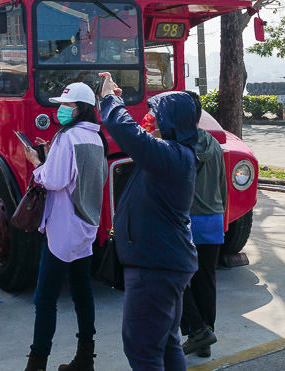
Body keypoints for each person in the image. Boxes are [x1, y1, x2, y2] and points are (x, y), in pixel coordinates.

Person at [98, 72, 197, 370]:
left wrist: (109, 99)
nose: (147, 120)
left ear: (170, 121)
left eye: (153, 114)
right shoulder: (172, 155)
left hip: (155, 267)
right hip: (161, 263)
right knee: (165, 342)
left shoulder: (172, 156)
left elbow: (125, 130)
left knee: (142, 348)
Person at [23, 83, 107, 371]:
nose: (61, 110)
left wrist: (36, 163)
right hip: (86, 228)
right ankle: (86, 358)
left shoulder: (67, 137)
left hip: (61, 230)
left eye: (67, 105)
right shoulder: (97, 139)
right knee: (82, 293)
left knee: (45, 298)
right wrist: (51, 158)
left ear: (81, 109)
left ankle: (37, 364)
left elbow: (55, 180)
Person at [179, 92, 227, 359]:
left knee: (181, 280)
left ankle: (195, 332)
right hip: (213, 220)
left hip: (188, 220)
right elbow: (222, 187)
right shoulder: (214, 144)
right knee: (207, 281)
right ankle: (205, 338)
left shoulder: (179, 147)